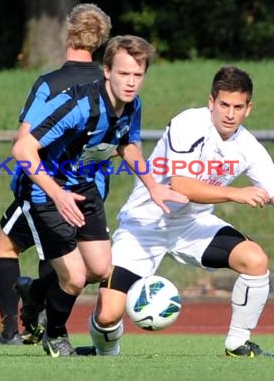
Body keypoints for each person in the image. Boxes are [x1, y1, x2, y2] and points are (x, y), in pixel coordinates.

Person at [80, 65, 274, 357]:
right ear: (211, 102)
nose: (230, 114)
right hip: (145, 225)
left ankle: (238, 343)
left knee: (255, 259)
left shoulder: (248, 146)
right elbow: (181, 185)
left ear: (249, 108)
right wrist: (235, 193)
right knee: (109, 315)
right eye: (223, 104)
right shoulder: (189, 123)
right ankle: (104, 353)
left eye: (238, 107)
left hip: (192, 225)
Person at [10, 35, 188, 357]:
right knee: (75, 278)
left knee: (101, 270)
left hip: (83, 186)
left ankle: (34, 292)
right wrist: (58, 194)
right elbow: (22, 148)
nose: (131, 82)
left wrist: (154, 185)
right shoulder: (80, 105)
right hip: (43, 191)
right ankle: (55, 335)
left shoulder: (133, 105)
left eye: (138, 75)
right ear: (106, 71)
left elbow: (127, 144)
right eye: (124, 74)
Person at [0, 3, 112, 346]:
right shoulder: (110, 84)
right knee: (66, 256)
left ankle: (14, 328)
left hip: (46, 188)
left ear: (67, 33)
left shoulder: (50, 84)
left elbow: (24, 140)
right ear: (102, 41)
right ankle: (40, 312)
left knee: (7, 245)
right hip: (92, 190)